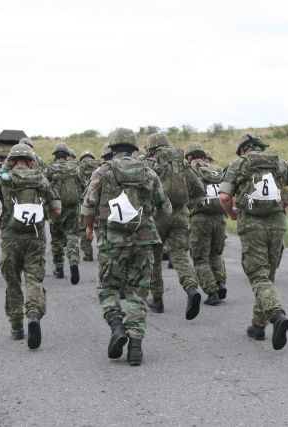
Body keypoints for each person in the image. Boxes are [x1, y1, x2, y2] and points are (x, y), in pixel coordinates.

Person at [81, 128, 171, 365]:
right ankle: (135, 347)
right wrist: (148, 222)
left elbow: (88, 206)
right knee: (137, 293)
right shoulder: (148, 172)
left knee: (107, 288)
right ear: (134, 147)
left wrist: (89, 228)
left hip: (112, 242)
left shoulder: (102, 171)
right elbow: (165, 208)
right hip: (143, 241)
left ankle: (117, 325)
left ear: (112, 148)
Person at [219, 133, 288, 350]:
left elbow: (224, 196)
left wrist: (231, 213)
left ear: (242, 149)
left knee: (258, 276)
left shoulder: (239, 164)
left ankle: (277, 315)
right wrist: (284, 202)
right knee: (268, 275)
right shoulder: (280, 162)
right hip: (278, 224)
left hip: (251, 226)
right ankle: (258, 325)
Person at [0, 144, 61, 349]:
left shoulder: (4, 178)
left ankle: (16, 326)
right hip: (36, 238)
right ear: (31, 161)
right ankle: (33, 314)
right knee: (34, 279)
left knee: (13, 281)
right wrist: (42, 218)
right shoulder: (41, 179)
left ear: (12, 161)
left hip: (11, 238)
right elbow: (57, 209)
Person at [144, 132, 206, 319]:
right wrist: (188, 205)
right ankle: (191, 288)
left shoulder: (150, 164)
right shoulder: (182, 163)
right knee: (179, 255)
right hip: (180, 216)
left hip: (158, 215)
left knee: (154, 257)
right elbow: (200, 190)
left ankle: (157, 298)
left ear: (151, 148)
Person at [185, 143, 227, 305]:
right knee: (215, 254)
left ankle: (211, 291)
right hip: (220, 217)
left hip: (200, 219)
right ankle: (220, 282)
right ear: (203, 156)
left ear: (189, 157)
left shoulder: (189, 171)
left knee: (200, 258)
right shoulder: (217, 170)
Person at [47, 143, 84, 284]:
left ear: (55, 155)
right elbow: (83, 186)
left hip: (56, 210)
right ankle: (73, 261)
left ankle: (59, 268)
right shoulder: (75, 169)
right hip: (73, 209)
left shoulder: (50, 169)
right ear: (67, 155)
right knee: (72, 236)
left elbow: (45, 188)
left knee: (56, 239)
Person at [78, 150, 102, 261]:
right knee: (100, 228)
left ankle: (88, 255)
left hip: (85, 202)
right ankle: (102, 252)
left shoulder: (80, 168)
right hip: (99, 201)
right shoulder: (100, 166)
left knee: (85, 228)